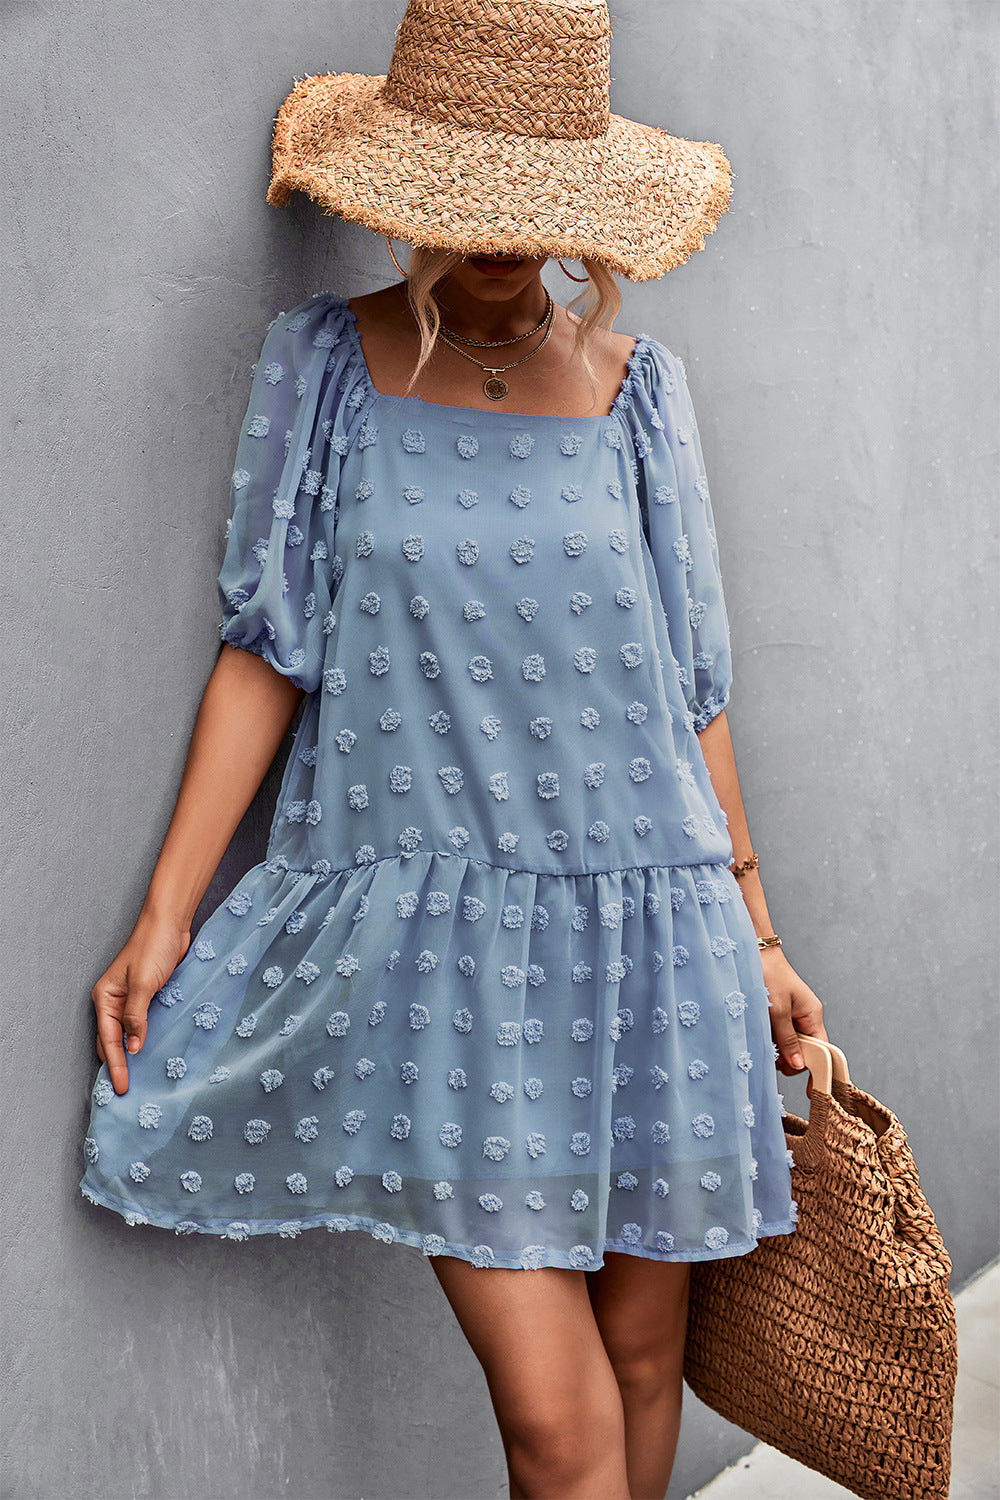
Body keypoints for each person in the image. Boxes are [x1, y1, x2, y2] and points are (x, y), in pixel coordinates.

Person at [80, 2, 827, 1495]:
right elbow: (268, 646)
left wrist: (760, 939)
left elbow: (693, 693)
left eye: (535, 202)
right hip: (444, 960)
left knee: (644, 1366)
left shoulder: (638, 393)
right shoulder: (327, 366)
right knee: (558, 1425)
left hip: (659, 934)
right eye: (470, 195)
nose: (500, 236)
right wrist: (165, 918)